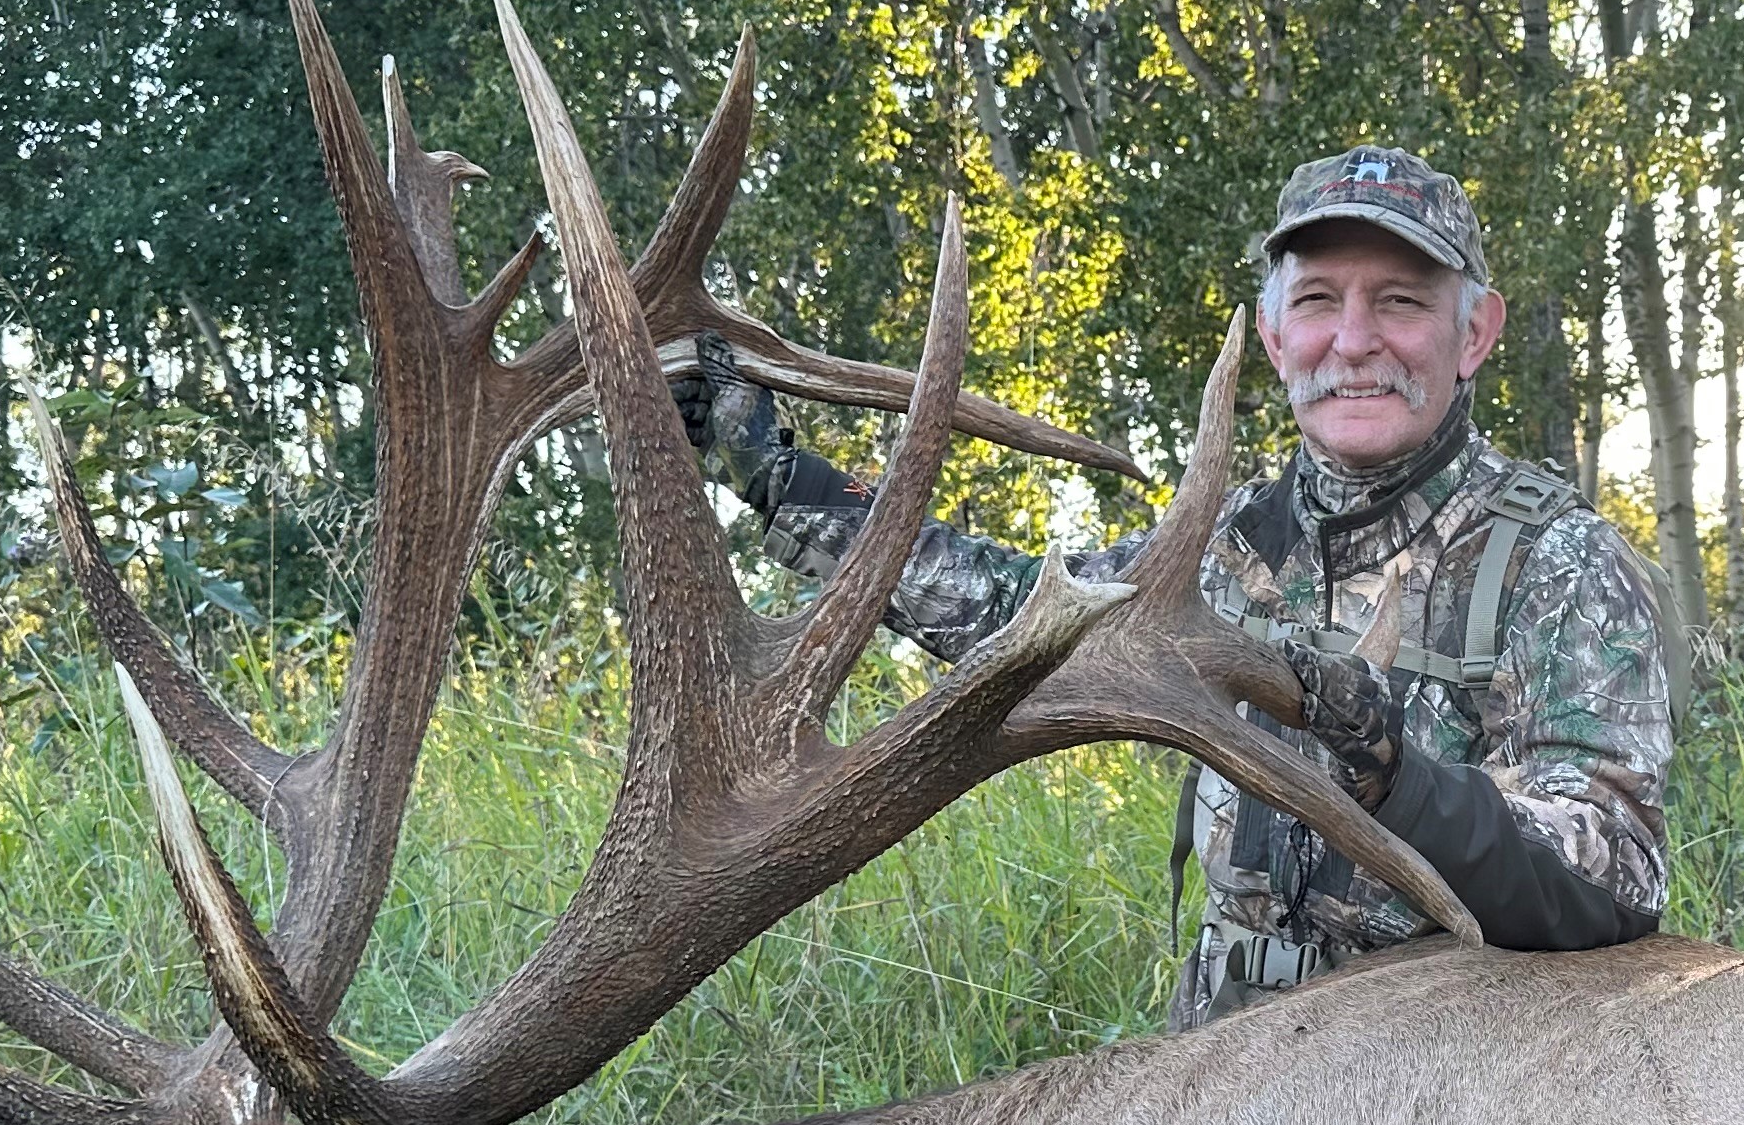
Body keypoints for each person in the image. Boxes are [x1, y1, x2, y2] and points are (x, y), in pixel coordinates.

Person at [675, 146, 1673, 1025]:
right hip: (1204, 1088)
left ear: (1476, 335)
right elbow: (1014, 612)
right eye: (1319, 300)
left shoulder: (1556, 561)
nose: (1355, 339)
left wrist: (1397, 777)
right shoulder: (1230, 539)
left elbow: (1619, 879)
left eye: (1403, 301)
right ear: (1275, 338)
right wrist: (780, 479)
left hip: (1436, 1099)